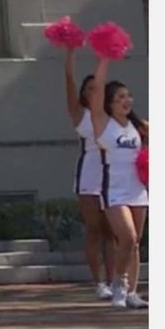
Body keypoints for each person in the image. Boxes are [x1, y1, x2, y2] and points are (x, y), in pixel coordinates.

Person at [84, 58, 148, 309]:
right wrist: (104, 59)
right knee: (127, 237)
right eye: (120, 97)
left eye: (129, 96)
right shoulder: (103, 124)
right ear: (109, 103)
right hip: (114, 191)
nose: (127, 100)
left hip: (138, 189)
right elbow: (98, 88)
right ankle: (118, 284)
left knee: (135, 243)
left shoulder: (137, 125)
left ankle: (132, 291)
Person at [61, 46, 117, 298]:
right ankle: (99, 282)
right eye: (89, 88)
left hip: (113, 173)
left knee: (113, 230)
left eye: (99, 88)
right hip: (88, 173)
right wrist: (71, 53)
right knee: (94, 228)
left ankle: (117, 279)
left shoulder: (113, 115)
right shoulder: (80, 114)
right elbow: (69, 81)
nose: (94, 91)